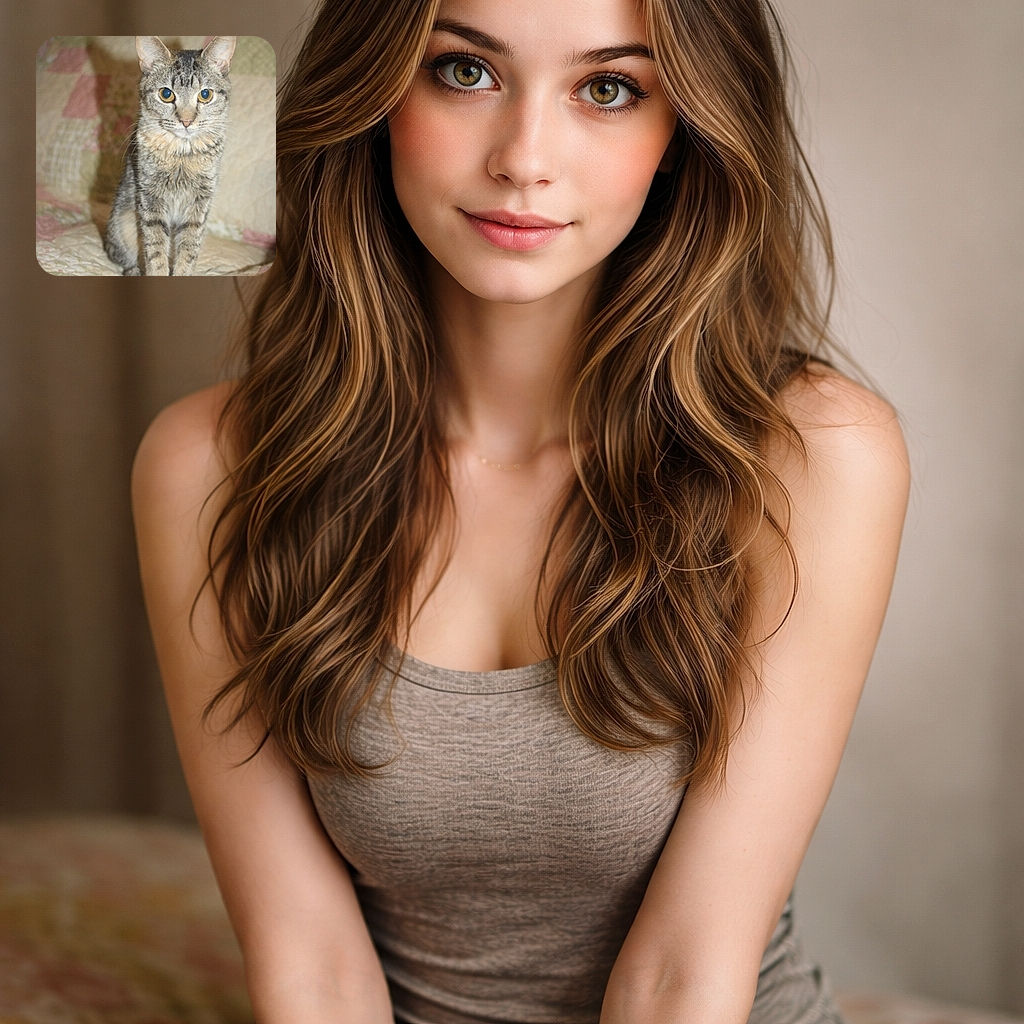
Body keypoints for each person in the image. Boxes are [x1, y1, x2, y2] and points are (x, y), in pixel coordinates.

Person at [131, 0, 910, 1021]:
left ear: (684, 131)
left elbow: (683, 974)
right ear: (375, 94)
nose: (524, 160)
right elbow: (310, 967)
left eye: (609, 89)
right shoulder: (208, 467)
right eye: (465, 72)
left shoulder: (811, 456)